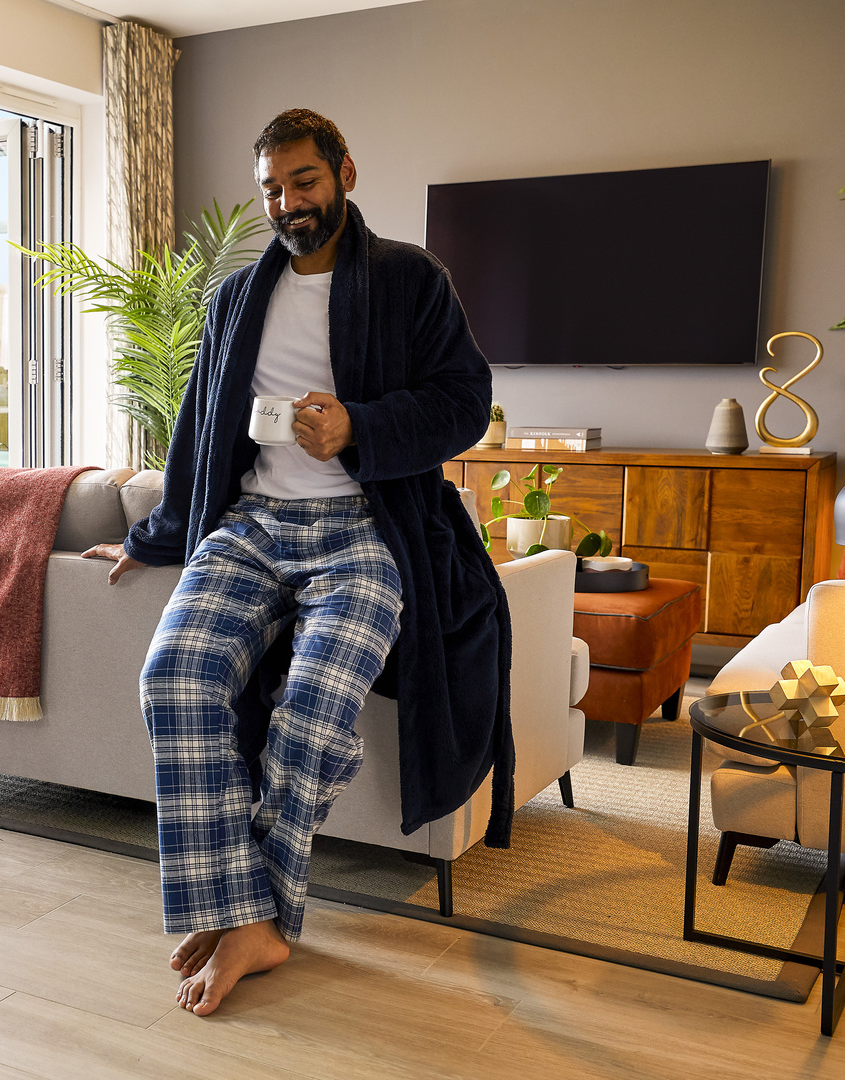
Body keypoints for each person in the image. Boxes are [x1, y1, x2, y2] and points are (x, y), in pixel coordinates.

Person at [83, 109, 513, 1017]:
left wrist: (360, 426)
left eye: (304, 182)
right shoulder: (238, 297)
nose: (288, 203)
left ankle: (252, 921)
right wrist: (153, 536)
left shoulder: (409, 279)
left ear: (346, 173)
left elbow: (466, 404)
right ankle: (250, 915)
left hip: (365, 528)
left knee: (313, 709)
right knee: (174, 679)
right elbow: (199, 430)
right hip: (252, 525)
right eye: (273, 188)